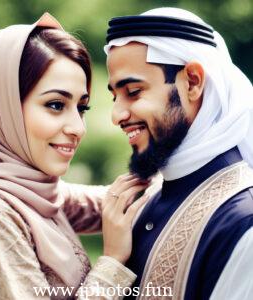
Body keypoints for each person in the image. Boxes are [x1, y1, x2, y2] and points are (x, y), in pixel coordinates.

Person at [0, 13, 149, 299]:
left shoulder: (36, 194)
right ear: (2, 109)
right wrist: (113, 263)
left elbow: (111, 201)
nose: (78, 128)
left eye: (81, 108)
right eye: (56, 105)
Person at [104, 7, 253, 300]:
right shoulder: (147, 197)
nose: (117, 114)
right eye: (114, 96)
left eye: (133, 91)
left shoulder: (242, 221)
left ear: (193, 82)